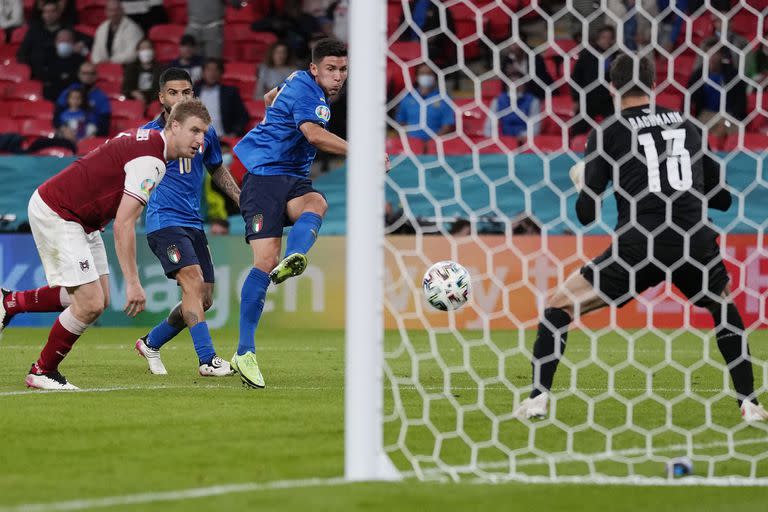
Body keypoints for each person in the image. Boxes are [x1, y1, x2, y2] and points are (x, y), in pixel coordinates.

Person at [513, 54, 768, 423]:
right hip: (693, 240)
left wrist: (583, 183)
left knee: (558, 307)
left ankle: (537, 399)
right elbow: (724, 200)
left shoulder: (608, 131)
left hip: (640, 243)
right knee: (722, 308)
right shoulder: (688, 125)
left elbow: (586, 215)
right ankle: (749, 403)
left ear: (612, 87)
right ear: (653, 85)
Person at [0, 100, 212, 390]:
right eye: (195, 130)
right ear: (174, 126)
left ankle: (10, 302)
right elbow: (124, 224)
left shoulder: (148, 141)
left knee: (98, 300)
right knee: (89, 303)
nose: (200, 140)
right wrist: (134, 282)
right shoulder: (151, 161)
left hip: (82, 218)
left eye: (204, 133)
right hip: (60, 211)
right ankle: (42, 370)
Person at [231, 38, 386, 388]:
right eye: (331, 69)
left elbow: (270, 98)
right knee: (264, 261)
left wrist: (274, 110)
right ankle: (244, 351)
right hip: (264, 180)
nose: (338, 76)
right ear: (315, 69)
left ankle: (296, 255)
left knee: (317, 203)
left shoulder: (299, 84)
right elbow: (314, 135)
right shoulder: (308, 92)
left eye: (343, 70)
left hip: (293, 179)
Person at [134, 68, 241, 377]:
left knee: (203, 298)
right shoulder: (149, 135)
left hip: (194, 223)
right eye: (173, 93)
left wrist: (240, 199)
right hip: (163, 221)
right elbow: (126, 177)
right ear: (161, 97)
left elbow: (217, 169)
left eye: (186, 93)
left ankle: (151, 342)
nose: (180, 98)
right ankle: (207, 359)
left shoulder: (204, 132)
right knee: (192, 283)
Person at [571, 25, 616, 135]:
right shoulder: (587, 55)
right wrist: (576, 98)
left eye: (609, 37)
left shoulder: (616, 56)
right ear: (597, 39)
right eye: (603, 37)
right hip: (588, 98)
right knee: (578, 127)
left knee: (615, 126)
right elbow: (576, 77)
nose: (606, 40)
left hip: (608, 99)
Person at [395, 63, 455, 141]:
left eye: (429, 73)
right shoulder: (407, 97)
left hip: (436, 144)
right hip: (411, 143)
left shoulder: (443, 98)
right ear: (416, 77)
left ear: (434, 76)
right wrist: (410, 141)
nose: (426, 76)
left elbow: (448, 124)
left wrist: (433, 143)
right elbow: (400, 122)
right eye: (422, 74)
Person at [194, 58, 249, 137]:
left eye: (216, 70)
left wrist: (234, 133)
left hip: (222, 138)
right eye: (209, 70)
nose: (212, 73)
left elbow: (243, 116)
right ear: (203, 73)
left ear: (221, 73)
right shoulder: (193, 92)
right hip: (197, 138)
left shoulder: (230, 92)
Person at [56, 62, 112, 136]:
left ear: (96, 75)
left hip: (91, 135)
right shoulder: (70, 92)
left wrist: (93, 136)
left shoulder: (101, 97)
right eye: (84, 73)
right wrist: (64, 129)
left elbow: (105, 125)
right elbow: (57, 117)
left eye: (91, 73)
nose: (88, 76)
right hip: (67, 133)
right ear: (79, 74)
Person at [90, 0, 144, 65]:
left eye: (117, 10)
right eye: (111, 10)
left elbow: (132, 54)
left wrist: (111, 62)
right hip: (104, 66)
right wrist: (98, 63)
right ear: (106, 12)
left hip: (126, 66)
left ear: (122, 11)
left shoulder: (133, 28)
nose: (114, 13)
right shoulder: (102, 28)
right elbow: (96, 51)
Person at [122, 38, 162, 104]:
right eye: (142, 48)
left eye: (148, 48)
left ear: (153, 51)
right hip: (135, 102)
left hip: (154, 102)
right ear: (137, 52)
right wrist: (133, 92)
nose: (145, 51)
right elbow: (125, 88)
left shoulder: (160, 69)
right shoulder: (131, 68)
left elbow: (161, 90)